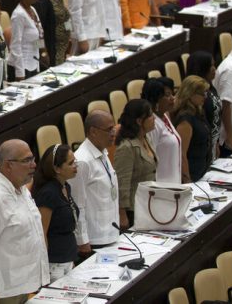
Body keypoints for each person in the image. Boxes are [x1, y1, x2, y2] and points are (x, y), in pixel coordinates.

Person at [0, 139, 49, 303]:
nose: (34, 165)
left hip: (21, 285)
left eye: (33, 159)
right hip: (2, 293)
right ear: (8, 165)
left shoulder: (21, 189)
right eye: (27, 160)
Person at [67, 110, 120, 244]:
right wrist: (82, 240)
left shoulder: (103, 152)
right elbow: (76, 204)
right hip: (94, 240)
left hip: (111, 232)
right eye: (109, 129)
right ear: (93, 131)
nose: (114, 133)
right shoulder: (82, 161)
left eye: (113, 128)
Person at [33, 144, 80, 280]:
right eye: (71, 163)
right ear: (57, 168)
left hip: (68, 257)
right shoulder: (48, 193)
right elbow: (42, 232)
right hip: (54, 264)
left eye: (75, 161)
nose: (75, 166)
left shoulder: (65, 186)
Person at [114, 99, 157, 227]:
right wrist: (122, 215)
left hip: (149, 203)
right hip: (134, 210)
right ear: (139, 121)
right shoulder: (126, 147)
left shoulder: (145, 138)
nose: (153, 117)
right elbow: (122, 184)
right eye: (149, 115)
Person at [171, 76, 211, 183]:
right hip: (192, 174)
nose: (205, 97)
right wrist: (187, 180)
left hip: (202, 171)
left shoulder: (198, 111)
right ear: (191, 94)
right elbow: (181, 154)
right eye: (202, 94)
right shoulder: (185, 119)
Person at [141, 77, 181, 184]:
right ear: (156, 99)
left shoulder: (164, 115)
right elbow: (150, 162)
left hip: (174, 183)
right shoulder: (151, 125)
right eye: (167, 95)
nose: (173, 98)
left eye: (173, 94)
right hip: (161, 188)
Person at [186, 51, 222, 162]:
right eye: (211, 65)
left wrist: (215, 143)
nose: (214, 68)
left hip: (213, 143)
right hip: (201, 149)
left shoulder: (210, 87)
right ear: (201, 67)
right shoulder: (196, 94)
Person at [9, 0, 45, 80]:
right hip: (22, 67)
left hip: (34, 62)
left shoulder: (32, 9)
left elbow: (38, 34)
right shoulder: (18, 15)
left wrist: (42, 53)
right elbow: (15, 45)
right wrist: (20, 73)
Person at [35, 0, 69, 67]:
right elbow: (39, 31)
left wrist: (69, 35)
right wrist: (44, 52)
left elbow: (65, 17)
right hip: (51, 49)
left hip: (63, 48)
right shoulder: (42, 0)